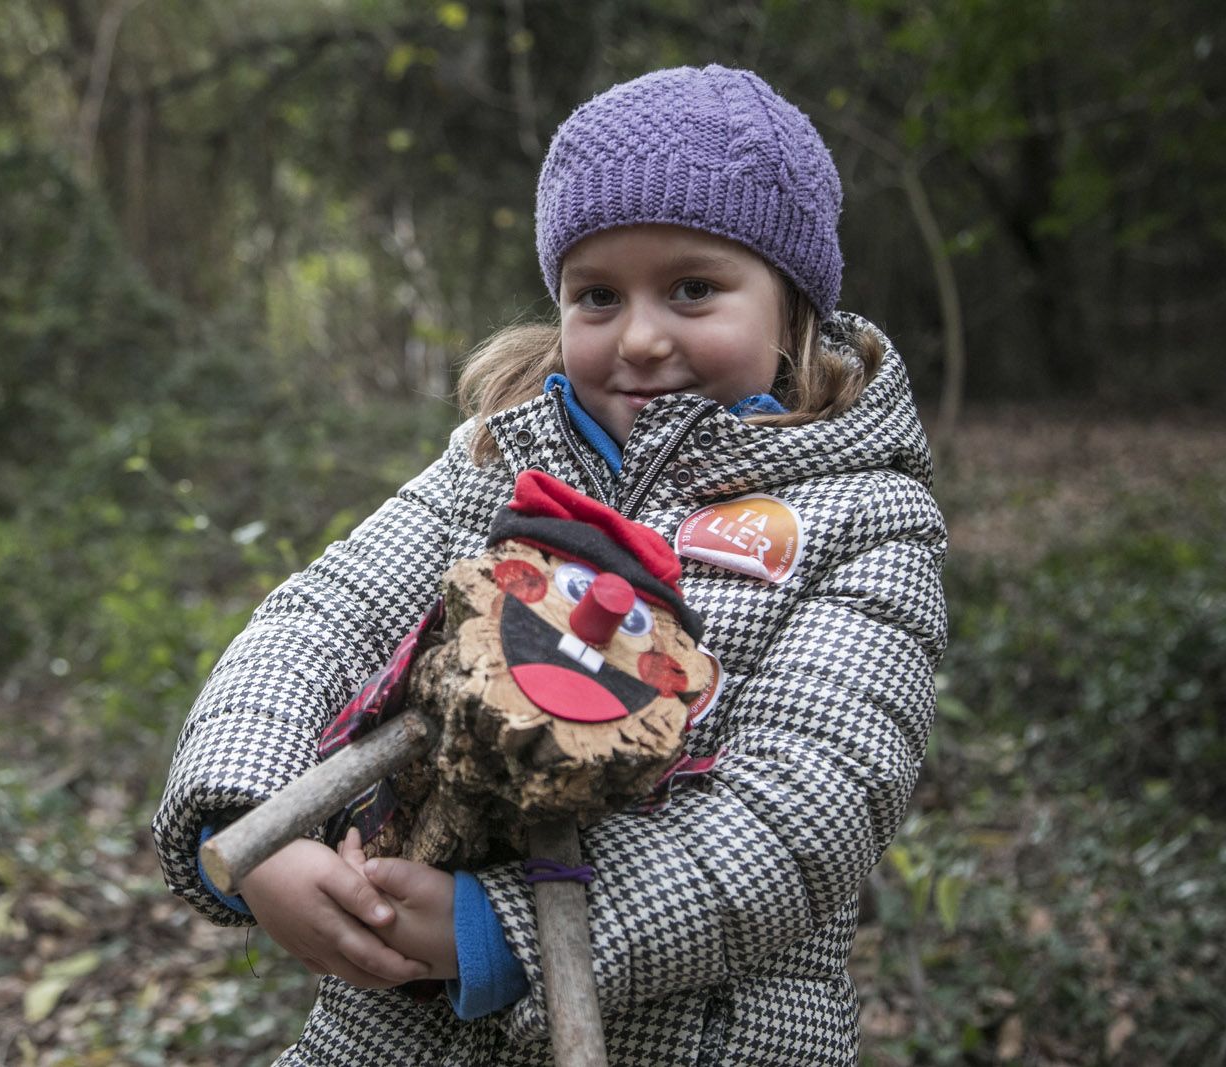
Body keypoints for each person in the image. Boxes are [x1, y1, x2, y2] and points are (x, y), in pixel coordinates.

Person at [153, 64, 947, 1065]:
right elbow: (320, 618)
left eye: (694, 287)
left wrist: (500, 926)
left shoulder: (863, 516)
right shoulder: (496, 462)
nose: (642, 336)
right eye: (597, 295)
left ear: (791, 303)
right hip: (391, 1035)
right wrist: (258, 827)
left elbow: (803, 812)